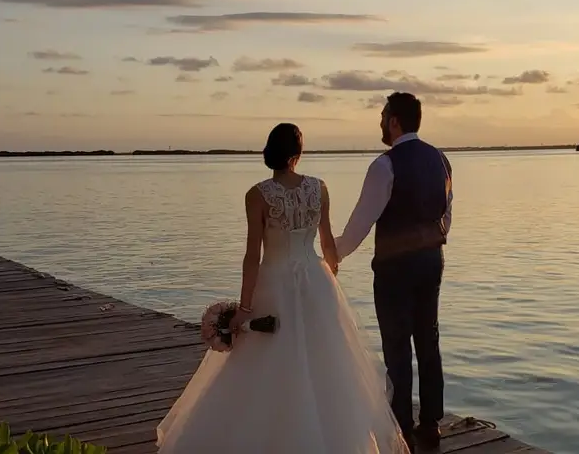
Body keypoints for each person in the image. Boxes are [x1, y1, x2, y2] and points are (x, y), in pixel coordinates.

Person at [157, 123, 410, 454]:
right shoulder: (319, 189)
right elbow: (327, 243)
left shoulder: (258, 194)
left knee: (264, 362)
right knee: (325, 364)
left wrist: (245, 309)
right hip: (315, 281)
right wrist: (330, 272)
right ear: (297, 153)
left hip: (274, 282)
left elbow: (252, 255)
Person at [335, 92, 453, 452]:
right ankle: (431, 422)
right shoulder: (441, 159)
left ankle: (401, 423)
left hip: (394, 268)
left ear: (395, 121)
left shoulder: (384, 166)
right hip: (432, 260)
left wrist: (330, 255)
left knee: (397, 344)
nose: (380, 121)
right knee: (428, 339)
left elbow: (360, 223)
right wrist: (434, 240)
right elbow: (446, 214)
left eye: (383, 115)